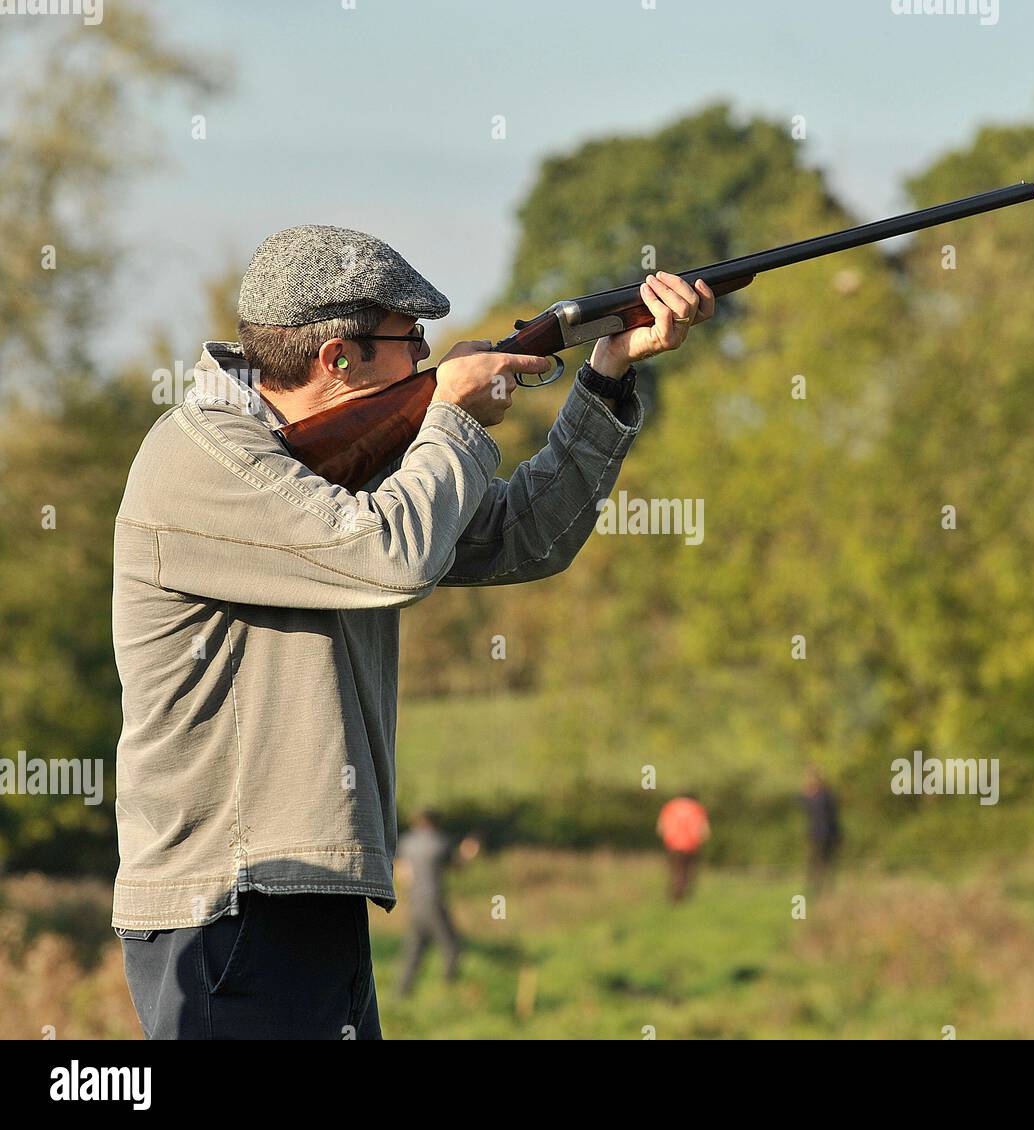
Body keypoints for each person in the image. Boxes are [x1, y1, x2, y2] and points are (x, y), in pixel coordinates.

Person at [110, 223, 715, 1039]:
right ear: (338, 359)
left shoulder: (332, 468)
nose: (427, 358)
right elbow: (389, 556)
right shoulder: (200, 460)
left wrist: (606, 373)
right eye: (411, 340)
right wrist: (455, 417)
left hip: (307, 892)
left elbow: (525, 536)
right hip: (230, 903)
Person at [395, 810, 468, 993]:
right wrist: (468, 852)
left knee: (415, 950)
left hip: (414, 902)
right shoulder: (440, 842)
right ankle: (448, 989)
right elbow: (459, 866)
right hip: (434, 901)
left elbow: (401, 874)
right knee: (452, 947)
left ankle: (402, 992)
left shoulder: (406, 842)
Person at [656, 794, 710, 902]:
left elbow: (660, 828)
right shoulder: (697, 807)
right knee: (687, 871)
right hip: (691, 844)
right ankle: (683, 894)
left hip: (672, 844)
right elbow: (704, 831)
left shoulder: (670, 806)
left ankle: (675, 894)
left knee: (675, 870)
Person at [801, 767, 841, 894]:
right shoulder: (813, 796)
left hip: (826, 834)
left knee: (825, 862)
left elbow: (831, 817)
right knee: (816, 862)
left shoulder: (824, 796)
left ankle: (824, 888)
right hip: (816, 834)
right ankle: (816, 888)